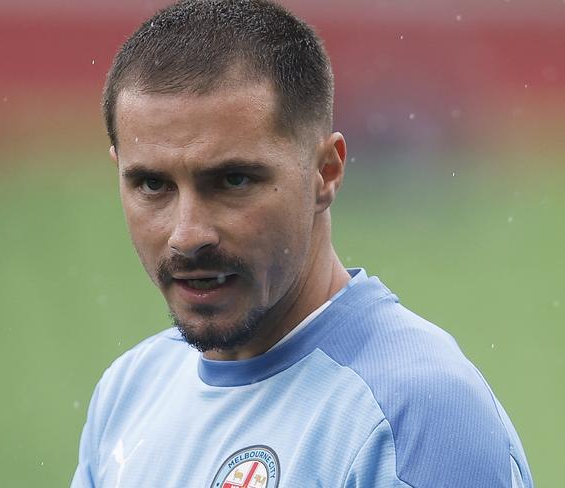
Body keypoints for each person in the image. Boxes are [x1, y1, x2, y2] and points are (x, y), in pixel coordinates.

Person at [71, 1, 533, 486]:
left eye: (232, 180)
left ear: (326, 172)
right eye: (152, 185)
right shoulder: (129, 394)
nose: (187, 235)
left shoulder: (417, 416)